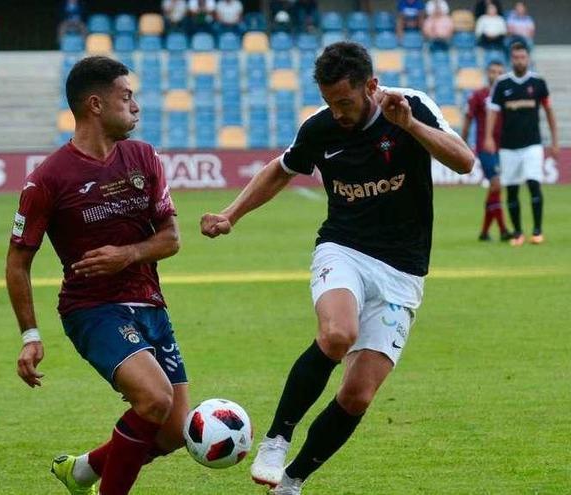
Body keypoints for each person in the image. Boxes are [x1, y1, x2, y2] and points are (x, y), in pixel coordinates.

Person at [200, 41, 474, 494]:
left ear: (371, 86)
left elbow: (464, 161)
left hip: (403, 271)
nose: (338, 112)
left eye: (345, 102)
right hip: (343, 248)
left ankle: (291, 482)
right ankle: (276, 437)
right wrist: (231, 214)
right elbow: (281, 169)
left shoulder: (411, 106)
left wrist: (409, 125)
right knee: (337, 334)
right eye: (329, 102)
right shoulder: (321, 127)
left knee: (358, 394)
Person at [6, 55, 187, 495]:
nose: (136, 106)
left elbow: (171, 239)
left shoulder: (143, 156)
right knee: (154, 400)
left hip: (150, 304)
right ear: (95, 105)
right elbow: (17, 262)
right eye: (127, 97)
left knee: (174, 432)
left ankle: (83, 470)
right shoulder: (47, 179)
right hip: (92, 310)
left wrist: (125, 255)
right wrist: (30, 335)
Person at [484, 42, 558, 246]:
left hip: (532, 144)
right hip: (508, 146)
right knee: (512, 189)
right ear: (511, 59)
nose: (519, 61)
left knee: (534, 184)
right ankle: (517, 233)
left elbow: (549, 112)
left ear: (528, 58)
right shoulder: (502, 83)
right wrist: (488, 137)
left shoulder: (538, 83)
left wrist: (554, 140)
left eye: (523, 57)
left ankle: (537, 230)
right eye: (516, 57)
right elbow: (492, 111)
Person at [461, 60, 511, 241]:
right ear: (487, 74)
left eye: (499, 72)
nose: (496, 75)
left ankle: (484, 232)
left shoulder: (507, 95)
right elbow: (467, 118)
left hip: (505, 148)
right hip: (486, 147)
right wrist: (463, 143)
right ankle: (504, 230)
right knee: (496, 184)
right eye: (493, 72)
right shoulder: (478, 95)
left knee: (495, 188)